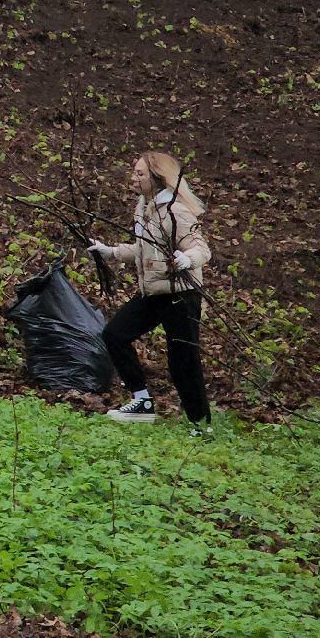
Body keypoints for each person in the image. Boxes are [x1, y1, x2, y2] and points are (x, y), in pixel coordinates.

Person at [86, 151, 215, 433]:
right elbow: (143, 248)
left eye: (140, 174)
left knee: (183, 360)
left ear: (157, 179)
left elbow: (201, 249)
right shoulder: (143, 207)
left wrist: (186, 259)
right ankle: (142, 401)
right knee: (115, 334)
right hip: (155, 292)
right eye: (134, 172)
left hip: (180, 294)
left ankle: (200, 424)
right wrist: (111, 252)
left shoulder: (175, 211)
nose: (133, 178)